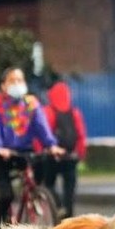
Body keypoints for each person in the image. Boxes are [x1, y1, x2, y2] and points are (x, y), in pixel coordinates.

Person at [0, 66, 64, 229]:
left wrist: (51, 145)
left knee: (40, 169)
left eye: (20, 80)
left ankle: (33, 197)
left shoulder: (31, 104)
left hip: (22, 152)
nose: (17, 84)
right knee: (6, 195)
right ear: (3, 85)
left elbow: (42, 127)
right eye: (12, 81)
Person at [37, 80, 87, 218]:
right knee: (69, 190)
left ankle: (57, 206)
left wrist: (40, 150)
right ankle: (68, 216)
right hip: (70, 157)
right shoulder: (75, 113)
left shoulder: (48, 111)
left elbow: (42, 134)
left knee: (48, 184)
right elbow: (81, 135)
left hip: (52, 156)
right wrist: (80, 154)